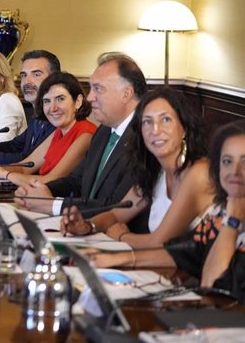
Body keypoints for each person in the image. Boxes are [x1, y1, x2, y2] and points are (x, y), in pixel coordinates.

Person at [93, 120, 245, 301]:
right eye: (227, 161)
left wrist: (233, 222)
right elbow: (183, 253)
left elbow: (212, 288)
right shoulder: (219, 214)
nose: (235, 171)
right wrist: (115, 259)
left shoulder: (230, 216)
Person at [61, 88, 214, 247]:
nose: (155, 130)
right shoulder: (154, 171)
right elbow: (116, 215)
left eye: (166, 120)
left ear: (185, 129)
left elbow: (161, 242)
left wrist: (122, 236)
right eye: (147, 122)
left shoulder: (198, 172)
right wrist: (86, 226)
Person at [14, 52, 147, 221]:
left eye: (98, 89)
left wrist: (52, 205)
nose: (90, 97)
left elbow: (118, 205)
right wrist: (39, 190)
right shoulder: (104, 131)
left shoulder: (146, 137)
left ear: (126, 94)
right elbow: (76, 181)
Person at [0, 72, 97, 186]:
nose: (53, 108)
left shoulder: (86, 134)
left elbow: (51, 180)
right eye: (47, 101)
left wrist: (5, 174)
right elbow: (25, 168)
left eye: (60, 99)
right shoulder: (59, 131)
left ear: (78, 101)